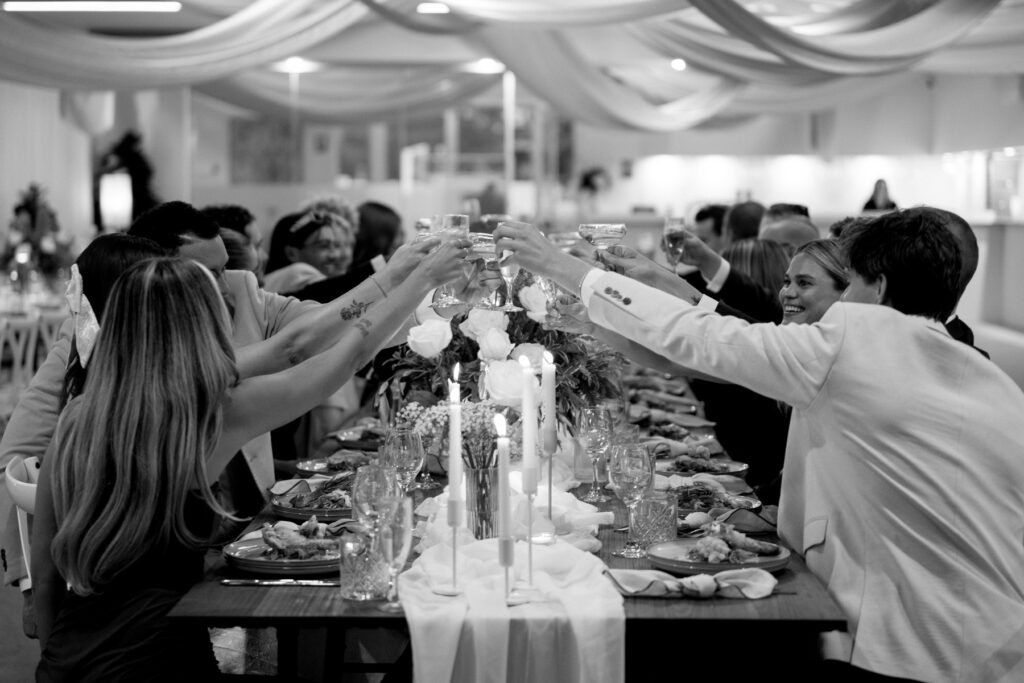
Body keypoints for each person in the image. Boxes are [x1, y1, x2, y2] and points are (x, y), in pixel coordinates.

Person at [496, 211, 1024, 681]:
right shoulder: (964, 365)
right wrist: (638, 288)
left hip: (926, 638)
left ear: (878, 287)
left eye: (850, 283)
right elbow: (723, 342)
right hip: (993, 623)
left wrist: (562, 267)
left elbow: (704, 339)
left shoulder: (858, 347)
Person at [32, 246, 466, 681]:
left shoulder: (76, 416)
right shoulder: (210, 415)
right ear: (202, 325)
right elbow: (346, 358)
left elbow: (47, 578)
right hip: (155, 658)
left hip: (67, 656)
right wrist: (421, 283)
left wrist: (397, 278)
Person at [263, 209, 355, 294]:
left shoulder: (272, 281)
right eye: (324, 246)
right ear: (292, 253)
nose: (334, 255)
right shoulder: (297, 273)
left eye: (336, 245)